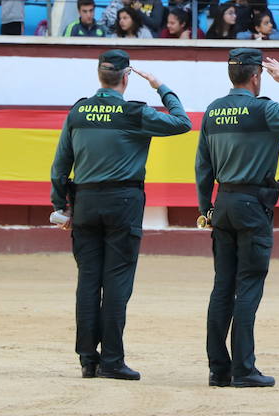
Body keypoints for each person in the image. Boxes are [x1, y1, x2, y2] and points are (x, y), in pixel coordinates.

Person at [51, 50, 191, 381]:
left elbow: (60, 165)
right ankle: (112, 359)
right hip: (123, 202)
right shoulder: (134, 112)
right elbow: (182, 122)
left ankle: (88, 359)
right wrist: (162, 87)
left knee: (88, 280)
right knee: (116, 281)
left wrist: (61, 206)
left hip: (85, 202)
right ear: (126, 77)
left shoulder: (79, 111)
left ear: (100, 77)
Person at [197, 47, 279, 398]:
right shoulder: (264, 109)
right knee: (248, 286)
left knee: (222, 287)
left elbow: (203, 167)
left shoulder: (213, 111)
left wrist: (205, 208)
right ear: (257, 76)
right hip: (253, 205)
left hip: (222, 205)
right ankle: (243, 369)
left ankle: (218, 369)